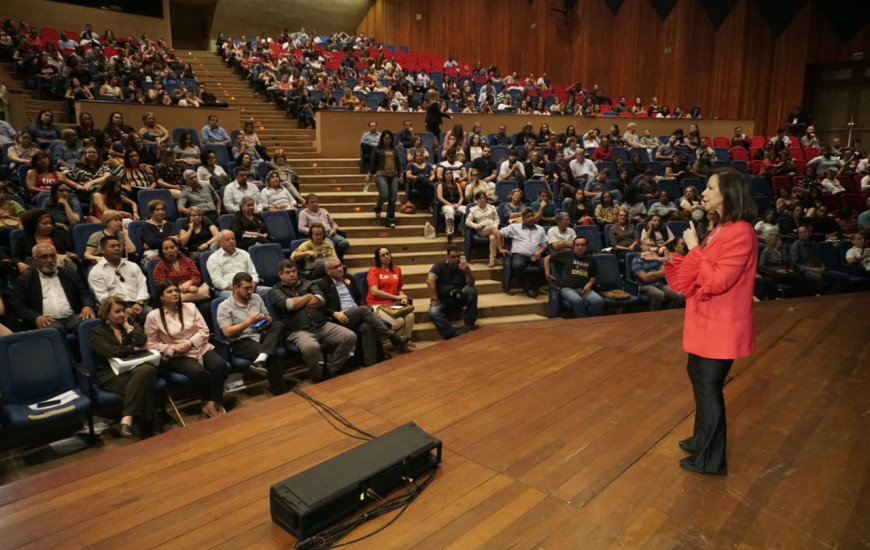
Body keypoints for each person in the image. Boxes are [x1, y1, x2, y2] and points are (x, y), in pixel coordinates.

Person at [642, 168, 758, 475]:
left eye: (709, 188)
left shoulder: (742, 231)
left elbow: (718, 280)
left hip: (723, 324)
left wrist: (694, 247)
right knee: (697, 374)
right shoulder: (722, 228)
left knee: (709, 387)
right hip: (708, 319)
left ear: (728, 194)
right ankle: (700, 439)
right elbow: (700, 270)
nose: (703, 193)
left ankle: (710, 460)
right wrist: (670, 259)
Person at [145, 280, 229, 418]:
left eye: (176, 291)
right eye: (169, 291)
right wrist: (172, 347)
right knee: (198, 373)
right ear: (161, 296)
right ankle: (206, 402)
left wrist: (189, 343)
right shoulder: (153, 316)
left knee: (220, 366)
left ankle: (212, 402)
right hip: (176, 355)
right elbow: (150, 343)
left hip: (198, 347)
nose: (174, 294)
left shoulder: (190, 307)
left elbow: (204, 331)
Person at [271, 260, 356, 382]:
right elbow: (289, 305)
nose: (292, 274)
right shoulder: (276, 290)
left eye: (294, 271)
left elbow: (321, 300)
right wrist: (309, 297)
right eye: (287, 272)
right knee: (311, 347)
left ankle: (331, 368)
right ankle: (317, 374)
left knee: (349, 336)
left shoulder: (309, 283)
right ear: (281, 275)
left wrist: (299, 302)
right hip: (299, 330)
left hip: (321, 324)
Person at [317, 257, 410, 366]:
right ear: (328, 271)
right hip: (341, 316)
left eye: (340, 265)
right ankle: (392, 337)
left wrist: (362, 306)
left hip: (358, 313)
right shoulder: (322, 284)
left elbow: (359, 298)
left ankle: (370, 364)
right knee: (364, 310)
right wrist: (334, 313)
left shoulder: (348, 278)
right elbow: (320, 306)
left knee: (368, 327)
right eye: (335, 267)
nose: (339, 269)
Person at [89, 295, 158, 439]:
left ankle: (127, 418)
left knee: (146, 370)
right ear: (106, 313)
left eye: (123, 311)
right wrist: (133, 349)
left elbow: (141, 340)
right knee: (143, 385)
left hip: (134, 367)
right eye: (117, 311)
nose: (122, 314)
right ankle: (148, 430)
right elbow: (109, 351)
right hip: (110, 373)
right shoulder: (96, 332)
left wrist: (127, 327)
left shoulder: (130, 322)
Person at [216, 272, 287, 395]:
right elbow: (227, 332)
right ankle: (280, 393)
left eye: (251, 287)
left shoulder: (257, 298)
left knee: (278, 324)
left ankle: (261, 358)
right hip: (241, 341)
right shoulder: (224, 307)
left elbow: (267, 316)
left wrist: (266, 320)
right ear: (235, 288)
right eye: (246, 288)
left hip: (259, 332)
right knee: (273, 354)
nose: (250, 291)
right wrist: (248, 322)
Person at [13, 242, 96, 334]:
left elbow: (84, 294)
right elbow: (19, 307)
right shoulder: (24, 280)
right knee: (54, 331)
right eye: (44, 257)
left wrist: (87, 306)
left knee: (89, 324)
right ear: (35, 260)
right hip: (47, 320)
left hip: (73, 317)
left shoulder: (70, 274)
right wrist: (36, 317)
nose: (49, 260)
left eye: (52, 256)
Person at [88, 235, 150, 324]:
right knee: (128, 320)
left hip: (137, 303)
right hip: (113, 309)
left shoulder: (133, 266)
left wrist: (139, 303)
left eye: (119, 246)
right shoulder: (96, 272)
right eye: (112, 246)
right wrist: (123, 309)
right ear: (103, 250)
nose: (117, 248)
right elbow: (103, 298)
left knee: (155, 315)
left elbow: (142, 286)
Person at [544, 236, 604, 318]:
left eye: (582, 245)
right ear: (573, 246)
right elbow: (547, 258)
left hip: (584, 288)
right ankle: (585, 322)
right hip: (567, 288)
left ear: (586, 246)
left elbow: (593, 275)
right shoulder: (566, 254)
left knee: (599, 301)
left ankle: (586, 320)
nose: (580, 247)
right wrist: (547, 273)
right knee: (577, 301)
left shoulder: (590, 259)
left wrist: (589, 284)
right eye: (577, 245)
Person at [427, 245, 478, 339]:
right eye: (453, 257)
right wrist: (434, 299)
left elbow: (471, 283)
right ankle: (454, 333)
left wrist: (467, 271)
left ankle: (470, 324)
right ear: (447, 257)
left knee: (471, 290)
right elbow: (430, 281)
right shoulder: (439, 265)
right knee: (433, 312)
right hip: (442, 301)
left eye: (458, 256)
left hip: (458, 299)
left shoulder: (463, 267)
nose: (457, 259)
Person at [206, 230, 272, 301]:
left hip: (248, 287)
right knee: (239, 295)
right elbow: (217, 281)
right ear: (220, 243)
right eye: (227, 239)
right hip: (228, 290)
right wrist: (238, 289)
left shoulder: (244, 253)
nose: (231, 241)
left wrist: (253, 284)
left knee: (270, 291)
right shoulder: (213, 258)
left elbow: (253, 273)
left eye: (233, 238)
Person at [497, 208, 549, 297]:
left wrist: (540, 251)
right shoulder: (514, 227)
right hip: (520, 255)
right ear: (523, 218)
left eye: (532, 216)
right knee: (518, 265)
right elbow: (499, 233)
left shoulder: (540, 229)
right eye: (528, 217)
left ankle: (535, 286)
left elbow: (544, 244)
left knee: (549, 265)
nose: (531, 218)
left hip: (536, 255)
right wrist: (500, 248)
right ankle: (526, 288)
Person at [366, 247, 415, 342]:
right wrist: (396, 297)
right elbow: (374, 291)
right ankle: (397, 342)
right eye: (383, 255)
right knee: (398, 321)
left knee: (410, 316)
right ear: (378, 258)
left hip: (393, 304)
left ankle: (406, 343)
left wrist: (402, 297)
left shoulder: (397, 270)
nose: (386, 257)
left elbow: (399, 288)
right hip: (377, 305)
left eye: (388, 254)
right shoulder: (373, 271)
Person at [788, 225, 849, 294]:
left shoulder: (815, 244)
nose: (803, 234)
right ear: (798, 235)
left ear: (809, 232)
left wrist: (823, 267)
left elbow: (821, 258)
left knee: (844, 277)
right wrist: (812, 269)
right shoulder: (795, 246)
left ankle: (831, 296)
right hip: (805, 271)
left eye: (805, 231)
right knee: (817, 278)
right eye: (801, 232)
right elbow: (795, 264)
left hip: (819, 269)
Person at [152, 237, 211, 304]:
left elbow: (196, 276)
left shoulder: (187, 260)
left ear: (177, 248)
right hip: (174, 297)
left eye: (172, 247)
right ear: (161, 251)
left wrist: (189, 283)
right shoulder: (159, 267)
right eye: (166, 248)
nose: (170, 250)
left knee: (207, 306)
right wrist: (183, 288)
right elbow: (163, 286)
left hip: (193, 292)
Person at [297, 193, 350, 258]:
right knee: (330, 245)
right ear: (307, 204)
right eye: (312, 202)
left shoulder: (324, 211)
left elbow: (333, 223)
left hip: (330, 233)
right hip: (318, 235)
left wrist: (334, 229)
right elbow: (301, 228)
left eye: (316, 201)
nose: (314, 204)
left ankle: (338, 259)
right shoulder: (303, 213)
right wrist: (313, 231)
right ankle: (332, 263)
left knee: (344, 243)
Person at [366, 130, 400, 228]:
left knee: (393, 198)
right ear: (382, 139)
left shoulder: (394, 149)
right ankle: (377, 207)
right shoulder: (377, 150)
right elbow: (373, 163)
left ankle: (390, 220)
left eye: (389, 138)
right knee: (384, 195)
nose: (388, 140)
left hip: (393, 175)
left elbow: (398, 163)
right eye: (386, 138)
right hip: (381, 175)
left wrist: (400, 174)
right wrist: (369, 174)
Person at [465, 191, 501, 267]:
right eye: (480, 198)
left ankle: (492, 260)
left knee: (493, 237)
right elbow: (467, 222)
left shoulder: (492, 207)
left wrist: (495, 225)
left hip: (493, 228)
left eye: (483, 198)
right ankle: (501, 245)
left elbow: (497, 220)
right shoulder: (473, 209)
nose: (482, 200)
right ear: (477, 200)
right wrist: (476, 226)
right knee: (492, 228)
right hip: (482, 230)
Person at [436, 169, 466, 241]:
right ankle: (449, 231)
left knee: (467, 210)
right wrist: (451, 205)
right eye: (447, 174)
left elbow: (461, 197)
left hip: (457, 204)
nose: (449, 175)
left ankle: (460, 229)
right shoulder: (440, 185)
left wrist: (458, 204)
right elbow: (440, 198)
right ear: (444, 175)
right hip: (446, 205)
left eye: (450, 173)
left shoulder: (457, 185)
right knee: (450, 210)